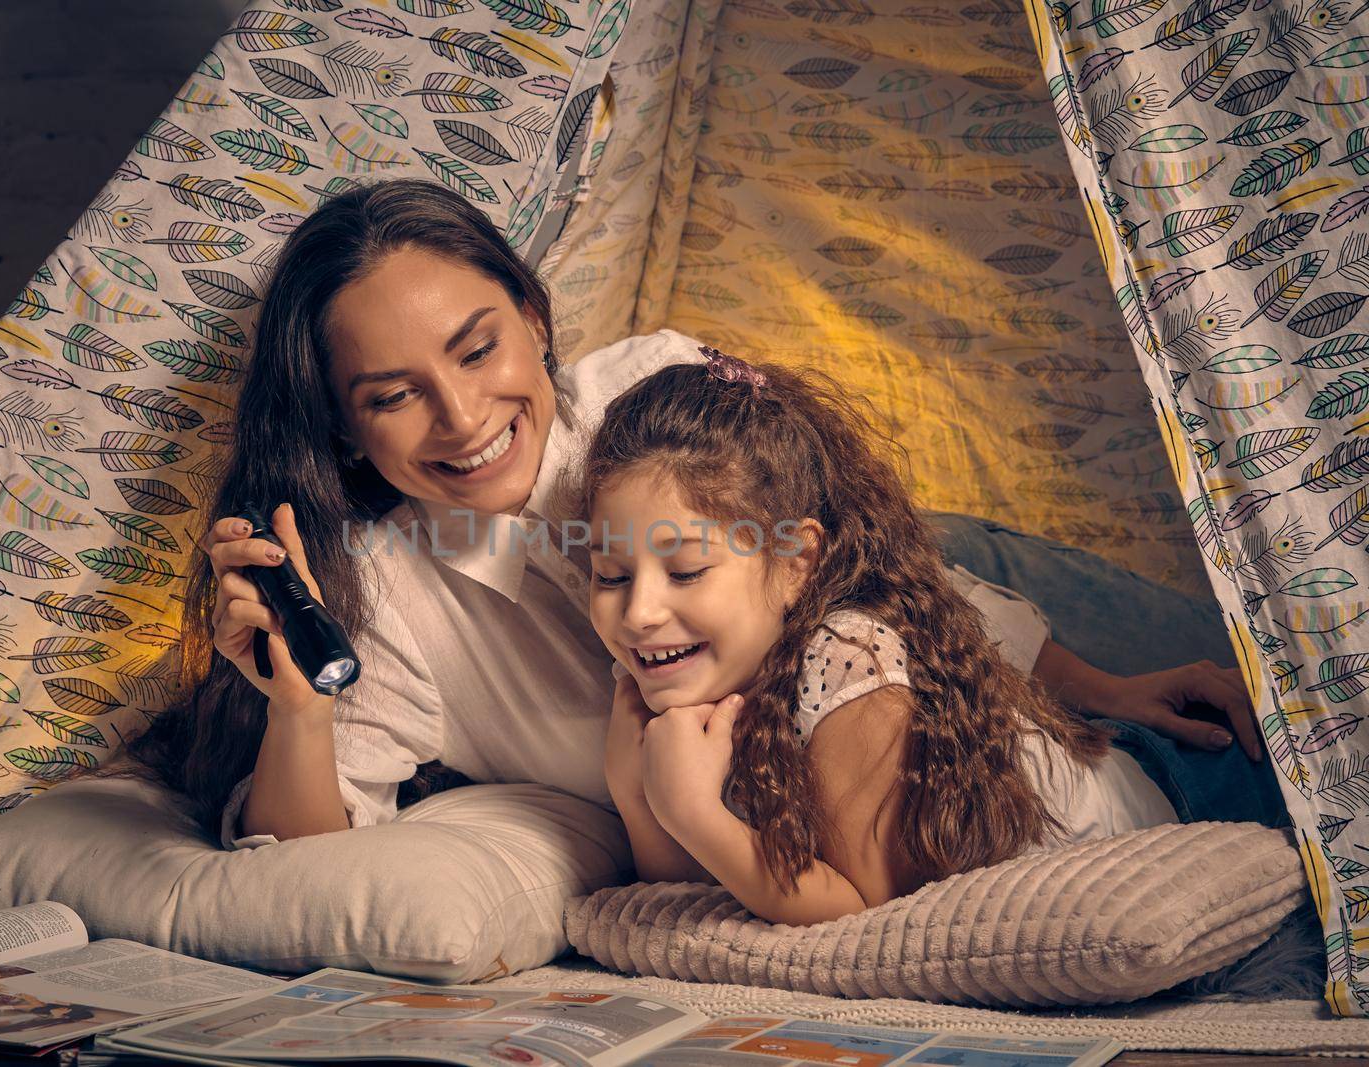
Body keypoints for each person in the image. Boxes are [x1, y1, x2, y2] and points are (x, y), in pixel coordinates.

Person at [118, 177, 1261, 852]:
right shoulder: (385, 600)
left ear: (531, 312)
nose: (463, 417)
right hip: (891, 808)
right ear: (340, 423)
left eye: (478, 349)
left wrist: (1106, 689)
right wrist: (295, 706)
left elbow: (896, 577)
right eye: (392, 395)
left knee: (1275, 722)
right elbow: (306, 857)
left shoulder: (645, 382)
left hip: (980, 621)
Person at [575, 350, 1289, 924]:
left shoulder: (844, 659)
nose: (639, 612)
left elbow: (860, 913)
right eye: (611, 576)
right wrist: (636, 791)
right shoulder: (666, 669)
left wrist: (695, 812)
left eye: (687, 570)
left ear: (796, 564)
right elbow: (670, 904)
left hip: (1194, 790)